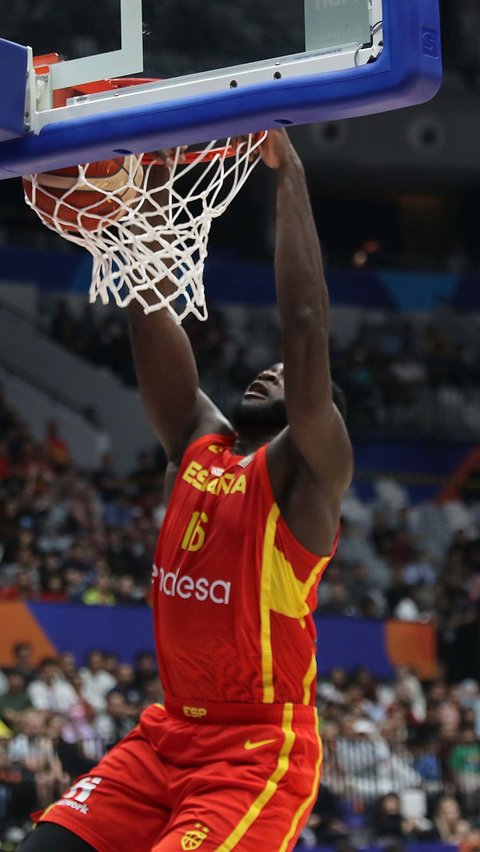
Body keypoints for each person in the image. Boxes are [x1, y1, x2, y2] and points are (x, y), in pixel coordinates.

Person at [22, 129, 353, 851]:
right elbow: (148, 313)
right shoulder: (196, 446)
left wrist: (287, 174)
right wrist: (132, 208)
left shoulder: (303, 480)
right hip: (167, 734)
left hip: (255, 755)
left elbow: (302, 330)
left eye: (288, 378)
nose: (271, 370)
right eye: (262, 369)